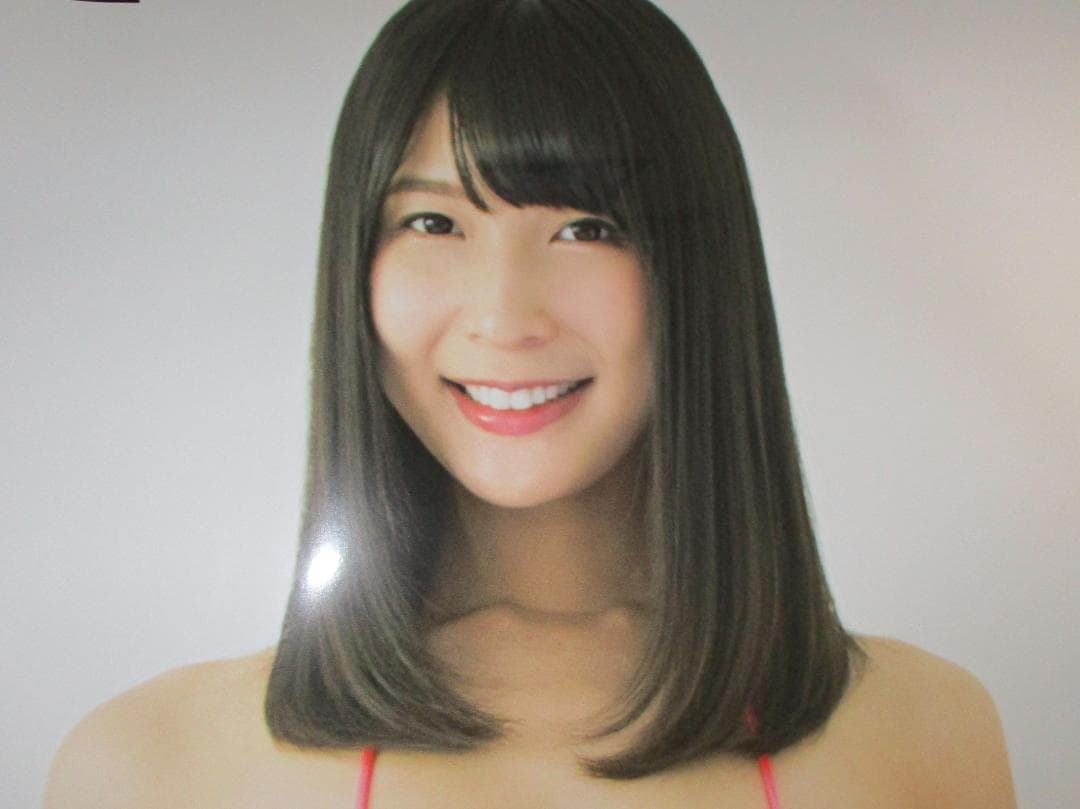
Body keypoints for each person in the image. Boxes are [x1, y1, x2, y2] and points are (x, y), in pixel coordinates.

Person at [45, 1, 1017, 806]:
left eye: (587, 226)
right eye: (433, 220)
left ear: (698, 270)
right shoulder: (145, 767)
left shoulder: (926, 737)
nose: (505, 317)